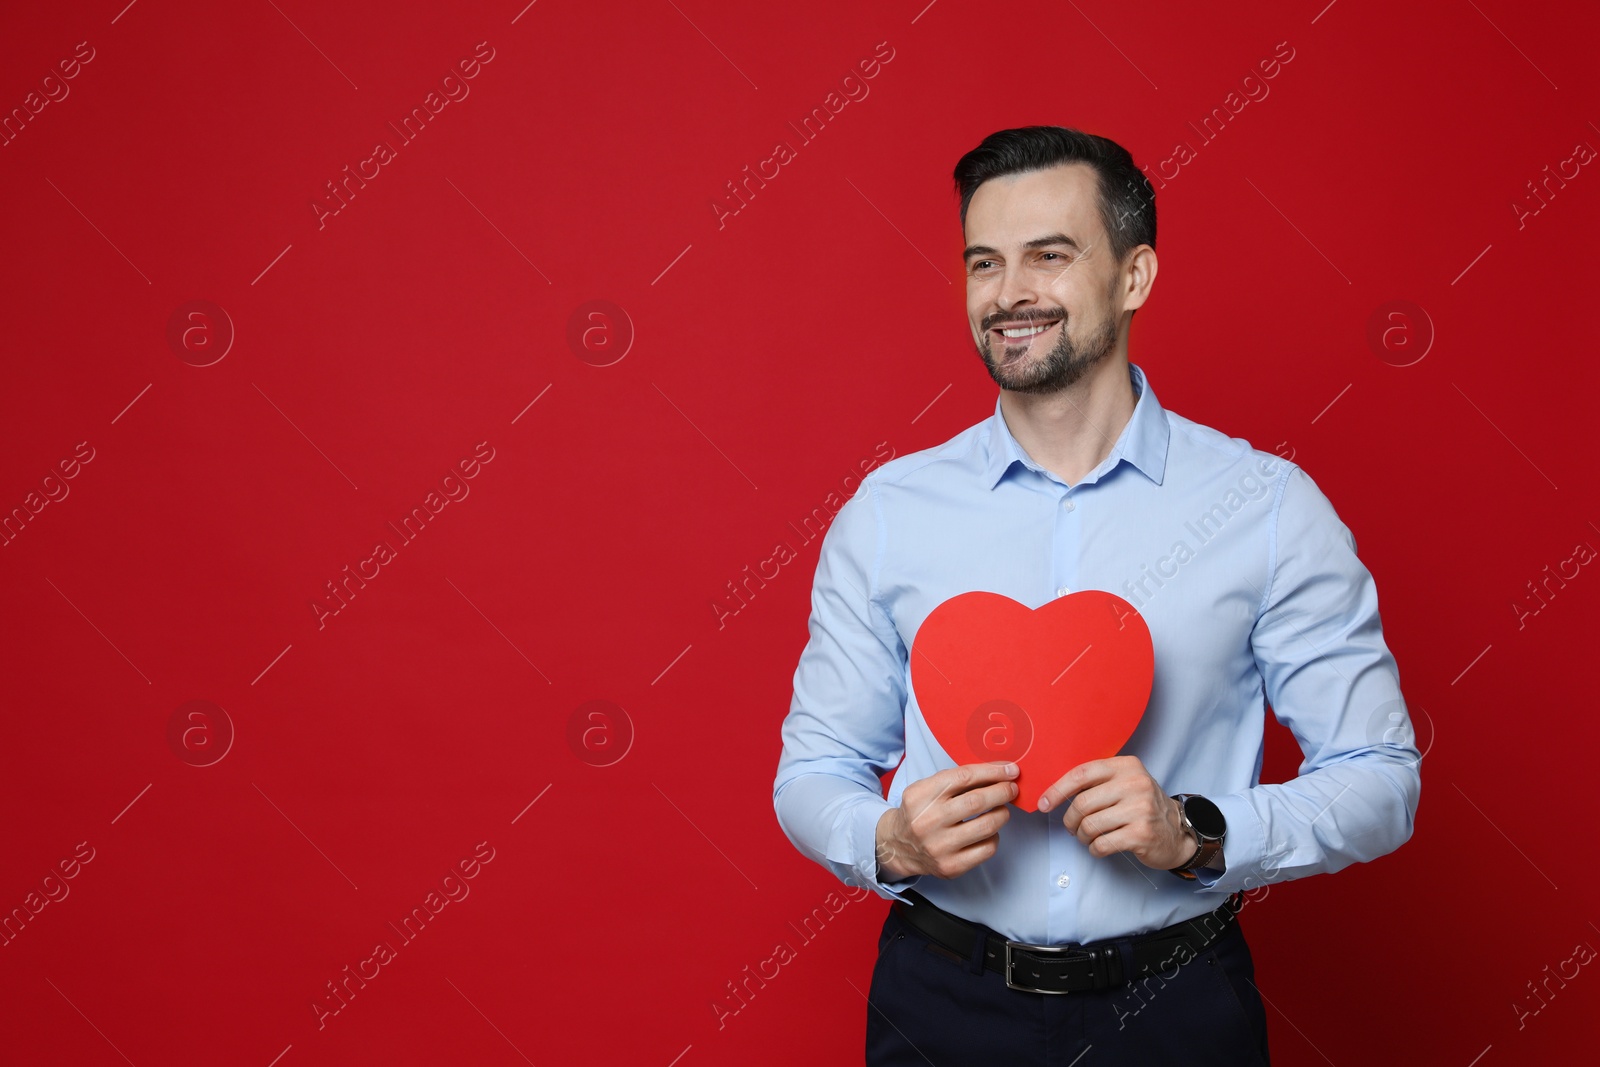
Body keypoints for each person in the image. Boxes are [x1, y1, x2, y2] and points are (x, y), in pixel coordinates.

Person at [771, 125, 1422, 1066]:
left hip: (1176, 1008)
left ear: (1134, 276)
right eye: (983, 261)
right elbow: (813, 767)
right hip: (942, 1004)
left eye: (1050, 254)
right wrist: (889, 838)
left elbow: (1381, 775)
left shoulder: (1267, 508)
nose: (1009, 294)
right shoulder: (888, 513)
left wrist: (1196, 832)